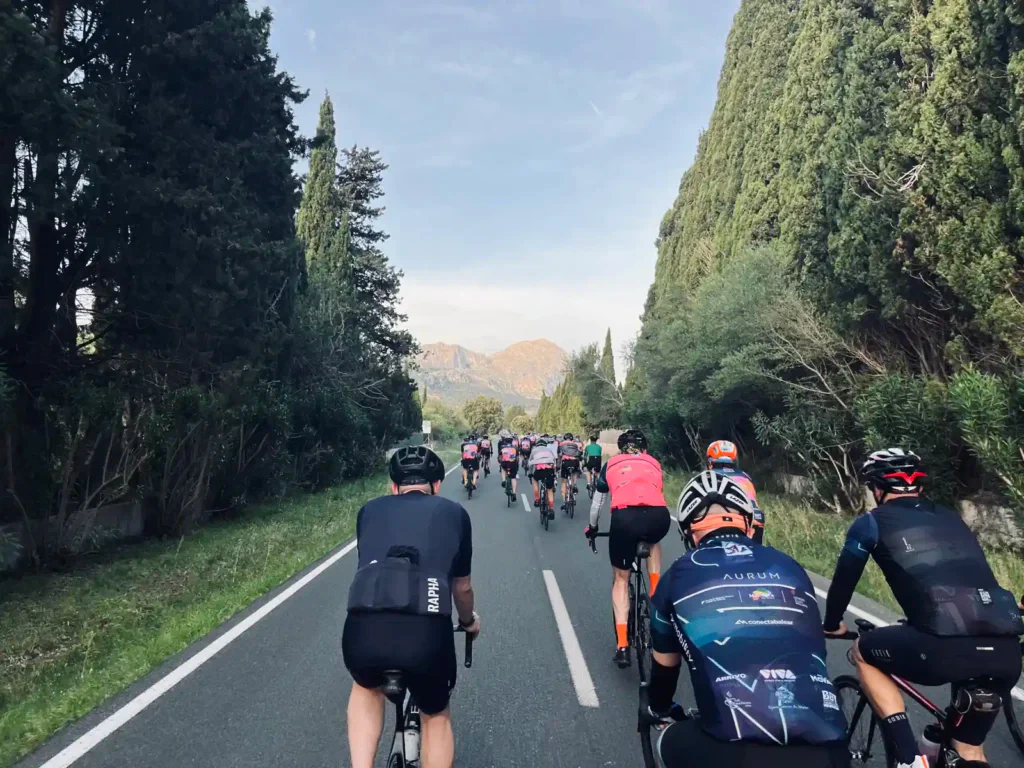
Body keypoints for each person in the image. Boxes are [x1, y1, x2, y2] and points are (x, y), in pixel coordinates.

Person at [823, 449, 1024, 768]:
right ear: (919, 486)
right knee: (969, 750)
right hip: (1007, 650)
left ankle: (908, 759)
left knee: (863, 652)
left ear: (877, 488)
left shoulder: (870, 523)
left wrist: (832, 623)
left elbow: (844, 583)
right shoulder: (950, 516)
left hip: (941, 647)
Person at [649, 471, 850, 768]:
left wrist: (659, 708)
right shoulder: (789, 565)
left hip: (736, 753)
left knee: (667, 739)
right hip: (830, 751)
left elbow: (665, 665)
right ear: (747, 522)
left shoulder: (677, 574)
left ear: (687, 531)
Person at [343, 446, 482, 768]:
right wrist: (469, 621)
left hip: (364, 624)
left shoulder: (368, 510)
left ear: (393, 487)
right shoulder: (454, 513)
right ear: (437, 484)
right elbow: (462, 587)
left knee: (367, 688)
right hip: (426, 633)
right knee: (435, 714)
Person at [586, 428, 672, 667]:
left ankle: (623, 646)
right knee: (653, 539)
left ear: (620, 448)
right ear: (645, 448)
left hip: (624, 520)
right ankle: (655, 590)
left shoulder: (611, 464)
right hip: (659, 517)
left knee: (621, 580)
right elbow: (655, 493)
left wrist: (592, 527)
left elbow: (598, 502)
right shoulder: (653, 463)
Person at [706, 440, 765, 543]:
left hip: (731, 522)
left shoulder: (710, 477)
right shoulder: (745, 476)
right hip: (756, 520)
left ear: (711, 461)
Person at [527, 436, 558, 515]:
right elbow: (554, 462)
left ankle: (537, 499)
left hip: (540, 470)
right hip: (549, 471)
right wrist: (554, 474)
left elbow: (530, 463)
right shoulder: (549, 450)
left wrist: (530, 473)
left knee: (535, 480)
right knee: (550, 489)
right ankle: (551, 508)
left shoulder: (534, 450)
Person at [558, 432, 582, 510]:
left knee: (564, 482)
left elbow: (559, 455)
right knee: (575, 472)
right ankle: (574, 485)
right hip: (575, 462)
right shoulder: (575, 444)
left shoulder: (561, 444)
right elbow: (579, 453)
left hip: (566, 462)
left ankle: (565, 501)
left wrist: (558, 466)